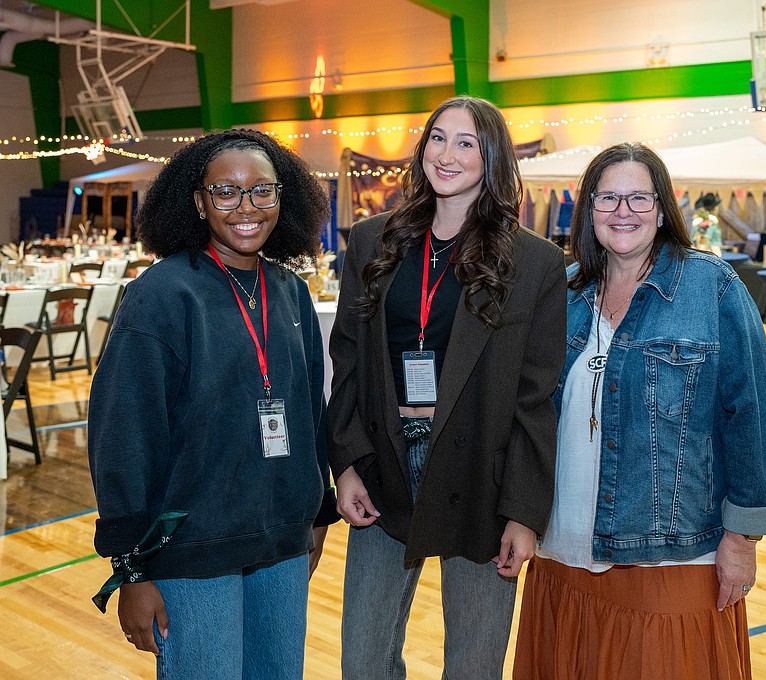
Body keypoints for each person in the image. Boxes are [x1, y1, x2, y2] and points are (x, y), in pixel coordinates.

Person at [513, 142, 766, 680]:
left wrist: (742, 539)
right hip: (563, 547)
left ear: (662, 209)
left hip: (671, 554)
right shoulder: (565, 292)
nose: (623, 212)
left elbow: (752, 415)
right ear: (588, 209)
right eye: (608, 198)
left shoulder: (713, 289)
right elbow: (529, 413)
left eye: (639, 198)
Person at [327, 95, 566, 679]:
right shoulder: (370, 241)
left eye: (468, 143)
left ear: (493, 158)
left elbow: (537, 398)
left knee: (475, 665)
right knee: (363, 662)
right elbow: (349, 359)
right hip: (384, 465)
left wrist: (524, 513)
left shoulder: (535, 262)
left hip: (480, 473)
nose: (449, 154)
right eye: (438, 138)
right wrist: (348, 463)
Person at [87, 129, 338, 680]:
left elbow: (307, 413)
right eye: (226, 192)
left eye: (261, 191)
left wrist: (317, 512)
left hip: (281, 547)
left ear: (282, 197)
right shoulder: (162, 294)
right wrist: (132, 569)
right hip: (191, 551)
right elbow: (124, 434)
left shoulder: (291, 292)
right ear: (198, 201)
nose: (245, 207)